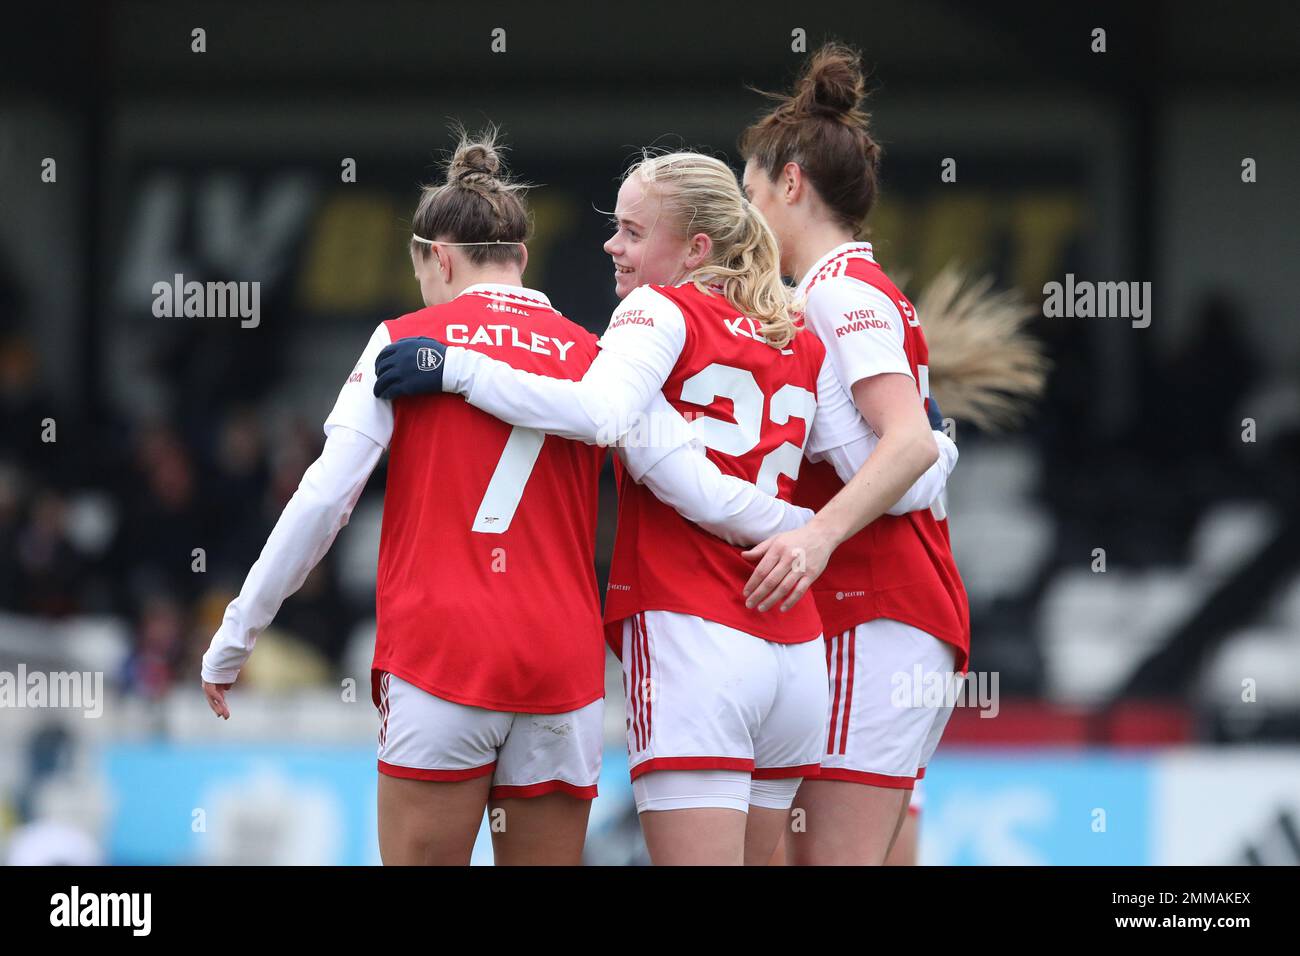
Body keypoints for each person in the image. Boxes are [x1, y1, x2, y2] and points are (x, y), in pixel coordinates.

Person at [200, 130, 815, 866]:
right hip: (562, 667)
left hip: (441, 657)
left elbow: (323, 500)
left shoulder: (404, 341)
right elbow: (697, 485)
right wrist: (808, 529)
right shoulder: (600, 357)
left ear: (440, 258)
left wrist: (238, 632)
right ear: (521, 259)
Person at [373, 149, 958, 864]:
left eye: (630, 231)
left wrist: (457, 368)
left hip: (694, 635)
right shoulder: (793, 327)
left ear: (696, 247)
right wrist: (926, 445)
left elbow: (601, 415)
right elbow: (907, 470)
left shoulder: (655, 310)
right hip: (796, 651)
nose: (612, 246)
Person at [735, 42, 972, 864]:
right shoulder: (851, 288)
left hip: (876, 605)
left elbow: (905, 443)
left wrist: (815, 536)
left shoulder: (836, 290)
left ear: (790, 185)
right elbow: (921, 444)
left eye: (750, 194)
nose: (743, 217)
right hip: (881, 611)